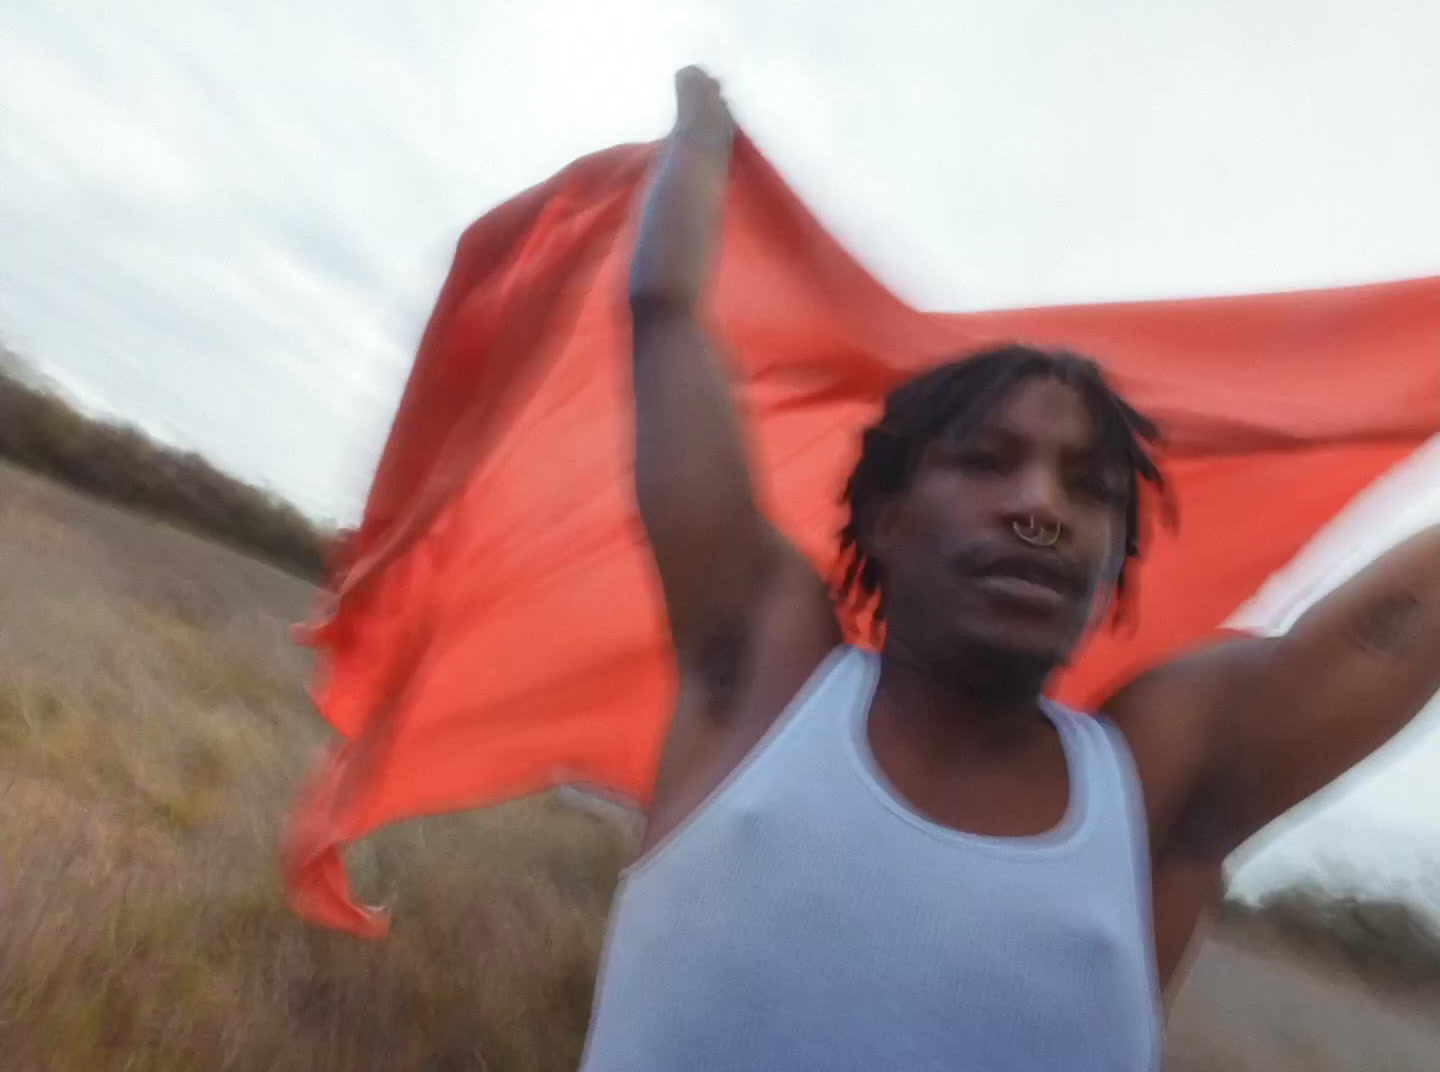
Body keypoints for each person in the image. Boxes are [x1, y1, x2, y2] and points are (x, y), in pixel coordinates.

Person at [578, 68, 1440, 1072]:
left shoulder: (1152, 786)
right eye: (988, 461)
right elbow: (666, 310)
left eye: (1089, 488)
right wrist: (700, 139)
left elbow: (1401, 621)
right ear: (889, 516)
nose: (1040, 507)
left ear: (1118, 555)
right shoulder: (763, 671)